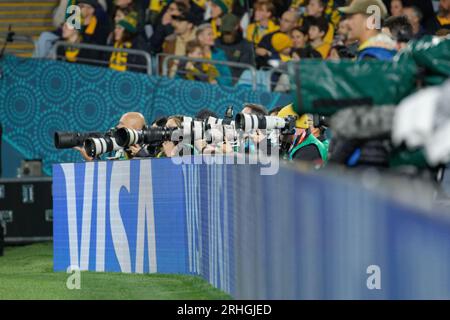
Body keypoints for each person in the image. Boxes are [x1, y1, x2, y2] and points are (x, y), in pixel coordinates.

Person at [75, 112, 147, 161]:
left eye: (121, 124)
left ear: (136, 130)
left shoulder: (150, 150)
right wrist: (92, 160)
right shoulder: (120, 149)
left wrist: (141, 155)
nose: (117, 127)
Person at [215, 13, 255, 82]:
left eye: (228, 32)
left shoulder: (245, 46)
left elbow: (245, 70)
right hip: (215, 80)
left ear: (236, 27)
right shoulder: (216, 43)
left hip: (235, 83)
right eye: (224, 31)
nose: (226, 35)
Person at [163, 11, 198, 76]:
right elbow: (163, 65)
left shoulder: (199, 42)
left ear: (189, 25)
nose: (176, 24)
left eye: (180, 22)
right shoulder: (170, 41)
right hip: (170, 81)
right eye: (176, 21)